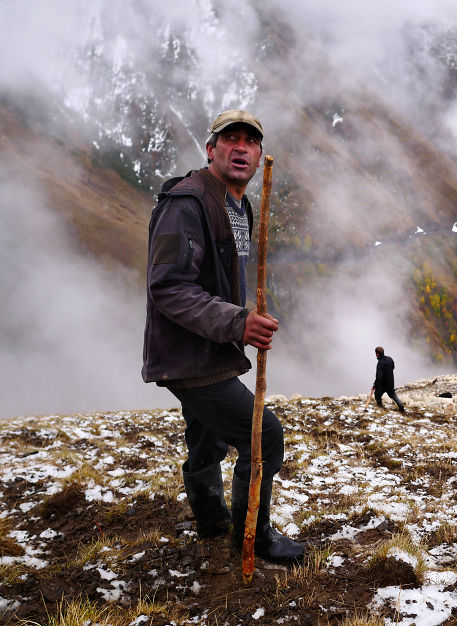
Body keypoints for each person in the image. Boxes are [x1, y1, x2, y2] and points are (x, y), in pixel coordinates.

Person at [142, 110, 303, 566]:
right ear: (210, 150)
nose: (240, 148)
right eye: (229, 139)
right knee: (264, 437)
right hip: (190, 354)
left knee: (208, 435)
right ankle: (252, 538)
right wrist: (239, 322)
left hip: (207, 347)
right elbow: (169, 288)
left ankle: (211, 520)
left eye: (249, 142)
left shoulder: (239, 206)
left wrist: (237, 320)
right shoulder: (186, 204)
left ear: (258, 156)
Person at [371, 346, 406, 412]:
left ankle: (380, 407)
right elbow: (393, 367)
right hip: (390, 382)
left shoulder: (380, 364)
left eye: (376, 353)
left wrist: (375, 386)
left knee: (377, 395)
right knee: (392, 394)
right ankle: (400, 405)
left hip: (383, 385)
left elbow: (379, 377)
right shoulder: (390, 359)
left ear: (377, 354)